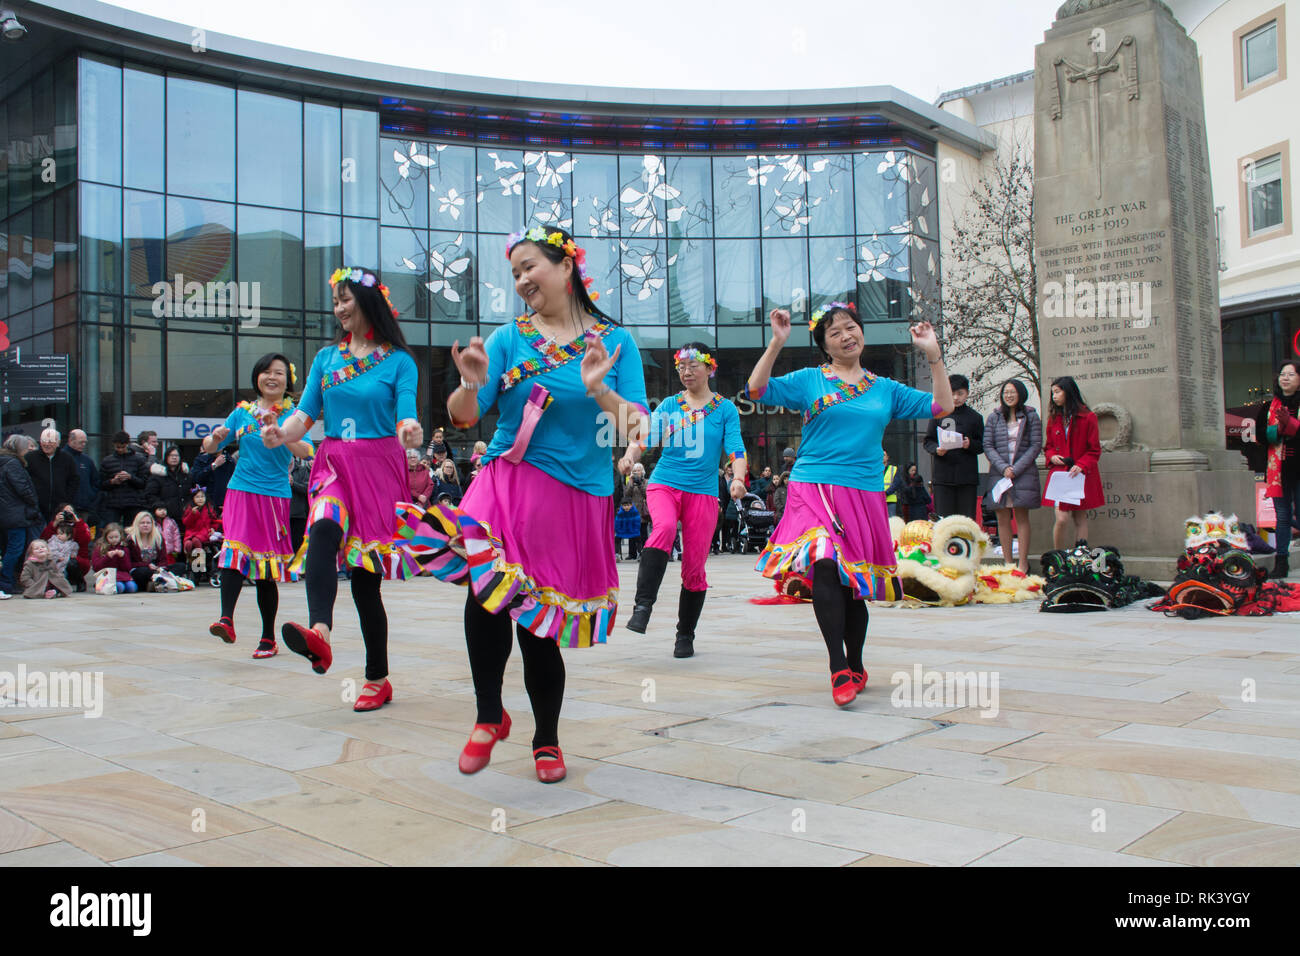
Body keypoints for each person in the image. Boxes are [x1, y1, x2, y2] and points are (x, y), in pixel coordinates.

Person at [404, 225, 648, 784]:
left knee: (538, 623)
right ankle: (489, 713)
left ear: (566, 268)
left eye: (529, 267)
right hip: (506, 483)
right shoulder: (507, 339)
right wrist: (468, 385)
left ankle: (547, 738)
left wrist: (599, 390)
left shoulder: (616, 342)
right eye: (514, 273)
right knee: (487, 589)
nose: (521, 281)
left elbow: (636, 426)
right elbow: (466, 416)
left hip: (572, 497)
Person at [745, 301, 952, 707]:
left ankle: (856, 662)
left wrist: (933, 355)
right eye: (835, 331)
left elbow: (941, 406)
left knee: (853, 584)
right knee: (823, 561)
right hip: (813, 487)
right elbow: (755, 389)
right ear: (825, 344)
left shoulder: (885, 389)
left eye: (850, 327)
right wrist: (776, 343)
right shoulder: (809, 380)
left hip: (863, 493)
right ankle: (837, 665)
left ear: (861, 332)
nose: (846, 335)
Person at [262, 267, 423, 713]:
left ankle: (378, 678)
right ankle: (321, 633)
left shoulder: (399, 361)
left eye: (346, 299)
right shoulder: (326, 360)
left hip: (378, 468)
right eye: (335, 302)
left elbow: (406, 414)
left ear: (369, 302)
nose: (339, 308)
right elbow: (305, 414)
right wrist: (280, 433)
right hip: (333, 462)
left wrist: (410, 430)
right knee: (323, 527)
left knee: (366, 586)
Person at [620, 343, 747, 653]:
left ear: (710, 368)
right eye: (681, 367)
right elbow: (644, 438)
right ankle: (642, 607)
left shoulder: (725, 409)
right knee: (662, 529)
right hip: (665, 484)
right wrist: (629, 455)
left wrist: (739, 479)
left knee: (694, 568)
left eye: (693, 366)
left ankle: (685, 634)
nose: (686, 372)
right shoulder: (668, 405)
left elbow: (736, 449)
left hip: (702, 494)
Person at [204, 353, 314, 656]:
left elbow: (307, 450)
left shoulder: (294, 414)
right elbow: (210, 446)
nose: (271, 377)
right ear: (257, 377)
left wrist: (281, 431)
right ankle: (227, 619)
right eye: (266, 371)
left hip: (275, 496)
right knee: (234, 551)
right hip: (240, 491)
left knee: (265, 566)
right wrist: (214, 439)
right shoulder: (242, 412)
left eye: (279, 372)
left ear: (287, 380)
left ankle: (268, 638)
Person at [983, 378, 1043, 574]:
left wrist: (1015, 469)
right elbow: (988, 446)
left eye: (1012, 392)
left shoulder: (1031, 416)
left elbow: (1035, 445)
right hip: (1000, 474)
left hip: (1023, 472)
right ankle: (1008, 563)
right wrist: (1003, 468)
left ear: (1020, 394)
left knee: (1022, 516)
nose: (1009, 395)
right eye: (1006, 392)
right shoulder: (994, 417)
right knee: (1002, 516)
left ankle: (1023, 562)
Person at [1042, 375, 1103, 547]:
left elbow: (1094, 449)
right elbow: (1048, 447)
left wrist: (1081, 465)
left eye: (1057, 392)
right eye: (1052, 392)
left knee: (1080, 516)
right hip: (1061, 474)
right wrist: (1052, 456)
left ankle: (1080, 556)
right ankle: (1058, 557)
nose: (1054, 396)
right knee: (1061, 518)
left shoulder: (1088, 417)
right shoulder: (1054, 418)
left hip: (1080, 473)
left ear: (1068, 392)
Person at [1256, 360, 1300, 578]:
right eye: (1283, 374)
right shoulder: (1268, 408)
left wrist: (1291, 425)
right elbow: (1261, 437)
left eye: (1291, 374)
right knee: (1282, 517)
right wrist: (1277, 429)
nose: (1285, 378)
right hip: (1279, 471)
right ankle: (1281, 563)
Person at [922, 374, 984, 520]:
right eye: (952, 393)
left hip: (966, 477)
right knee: (944, 519)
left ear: (967, 394)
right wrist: (937, 449)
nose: (956, 398)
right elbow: (928, 441)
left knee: (966, 519)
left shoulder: (975, 417)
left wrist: (970, 445)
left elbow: (982, 445)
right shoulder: (939, 414)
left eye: (960, 393)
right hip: (943, 477)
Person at [0, 434, 42, 600]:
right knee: (15, 549)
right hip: (16, 514)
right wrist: (33, 503)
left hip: (6, 513)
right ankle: (5, 582)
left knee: (8, 548)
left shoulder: (3, 461)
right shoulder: (13, 463)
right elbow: (23, 488)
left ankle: (7, 581)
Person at [27, 428, 79, 527]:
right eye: (44, 441)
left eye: (50, 441)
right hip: (36, 509)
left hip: (59, 508)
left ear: (58, 443)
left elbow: (74, 481)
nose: (47, 444)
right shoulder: (30, 458)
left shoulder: (67, 458)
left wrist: (66, 501)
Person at [98, 431, 149, 528]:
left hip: (133, 503)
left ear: (127, 444)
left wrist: (130, 477)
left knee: (131, 532)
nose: (120, 450)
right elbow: (101, 484)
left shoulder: (139, 459)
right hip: (113, 503)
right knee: (111, 530)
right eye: (117, 447)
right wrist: (112, 481)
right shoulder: (107, 461)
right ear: (114, 445)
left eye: (122, 447)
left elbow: (144, 483)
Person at [125, 511, 186, 590]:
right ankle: (161, 583)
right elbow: (129, 564)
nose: (145, 525)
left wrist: (159, 568)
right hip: (140, 569)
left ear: (152, 524)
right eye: (142, 523)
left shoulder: (158, 538)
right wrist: (147, 565)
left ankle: (157, 583)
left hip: (157, 569)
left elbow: (163, 560)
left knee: (180, 566)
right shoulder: (131, 540)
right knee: (143, 572)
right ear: (137, 524)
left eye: (148, 523)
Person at [41, 503, 92, 591]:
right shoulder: (55, 525)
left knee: (70, 562)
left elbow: (85, 540)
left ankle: (80, 581)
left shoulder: (79, 525)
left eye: (70, 512)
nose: (68, 514)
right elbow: (44, 539)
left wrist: (78, 522)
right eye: (65, 512)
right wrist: (55, 523)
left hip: (75, 560)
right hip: (56, 558)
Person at [182, 488, 222, 579]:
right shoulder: (189, 509)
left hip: (204, 532)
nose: (200, 499)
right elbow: (186, 523)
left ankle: (199, 564)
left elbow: (214, 521)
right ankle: (191, 562)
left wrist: (213, 528)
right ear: (193, 499)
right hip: (191, 532)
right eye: (197, 497)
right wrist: (193, 514)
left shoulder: (209, 508)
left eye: (202, 497)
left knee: (196, 540)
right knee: (188, 543)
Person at [65, 429, 101, 526]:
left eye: (85, 442)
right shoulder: (61, 458)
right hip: (66, 507)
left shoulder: (87, 460)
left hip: (84, 508)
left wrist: (90, 496)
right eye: (81, 442)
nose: (84, 445)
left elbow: (96, 481)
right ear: (71, 441)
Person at [145, 446, 189, 523]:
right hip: (165, 516)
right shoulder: (158, 474)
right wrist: (161, 506)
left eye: (176, 455)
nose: (174, 458)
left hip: (184, 516)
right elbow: (150, 495)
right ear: (166, 457)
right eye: (171, 455)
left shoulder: (185, 475)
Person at [91, 523, 138, 593]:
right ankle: (100, 585)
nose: (114, 540)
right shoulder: (100, 548)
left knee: (132, 588)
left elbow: (128, 568)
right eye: (111, 537)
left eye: (116, 537)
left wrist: (123, 557)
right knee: (120, 587)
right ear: (106, 537)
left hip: (122, 576)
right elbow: (96, 567)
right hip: (107, 576)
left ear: (120, 536)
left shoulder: (124, 548)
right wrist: (107, 557)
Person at [190, 447, 236, 513]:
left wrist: (229, 505)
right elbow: (196, 479)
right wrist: (214, 465)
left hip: (223, 505)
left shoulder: (230, 461)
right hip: (205, 506)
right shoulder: (201, 460)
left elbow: (234, 485)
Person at [46, 523, 84, 592]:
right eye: (58, 533)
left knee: (66, 572)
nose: (59, 535)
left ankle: (64, 588)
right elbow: (51, 551)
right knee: (57, 574)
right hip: (56, 563)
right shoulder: (53, 541)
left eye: (61, 534)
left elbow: (74, 551)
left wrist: (73, 555)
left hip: (66, 563)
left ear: (69, 535)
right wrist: (58, 557)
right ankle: (56, 589)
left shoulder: (72, 544)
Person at [882, 450, 901, 517]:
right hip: (878, 499)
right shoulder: (875, 469)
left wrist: (886, 493)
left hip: (890, 500)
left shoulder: (893, 469)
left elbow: (896, 483)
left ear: (887, 457)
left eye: (884, 455)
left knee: (891, 520)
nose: (882, 456)